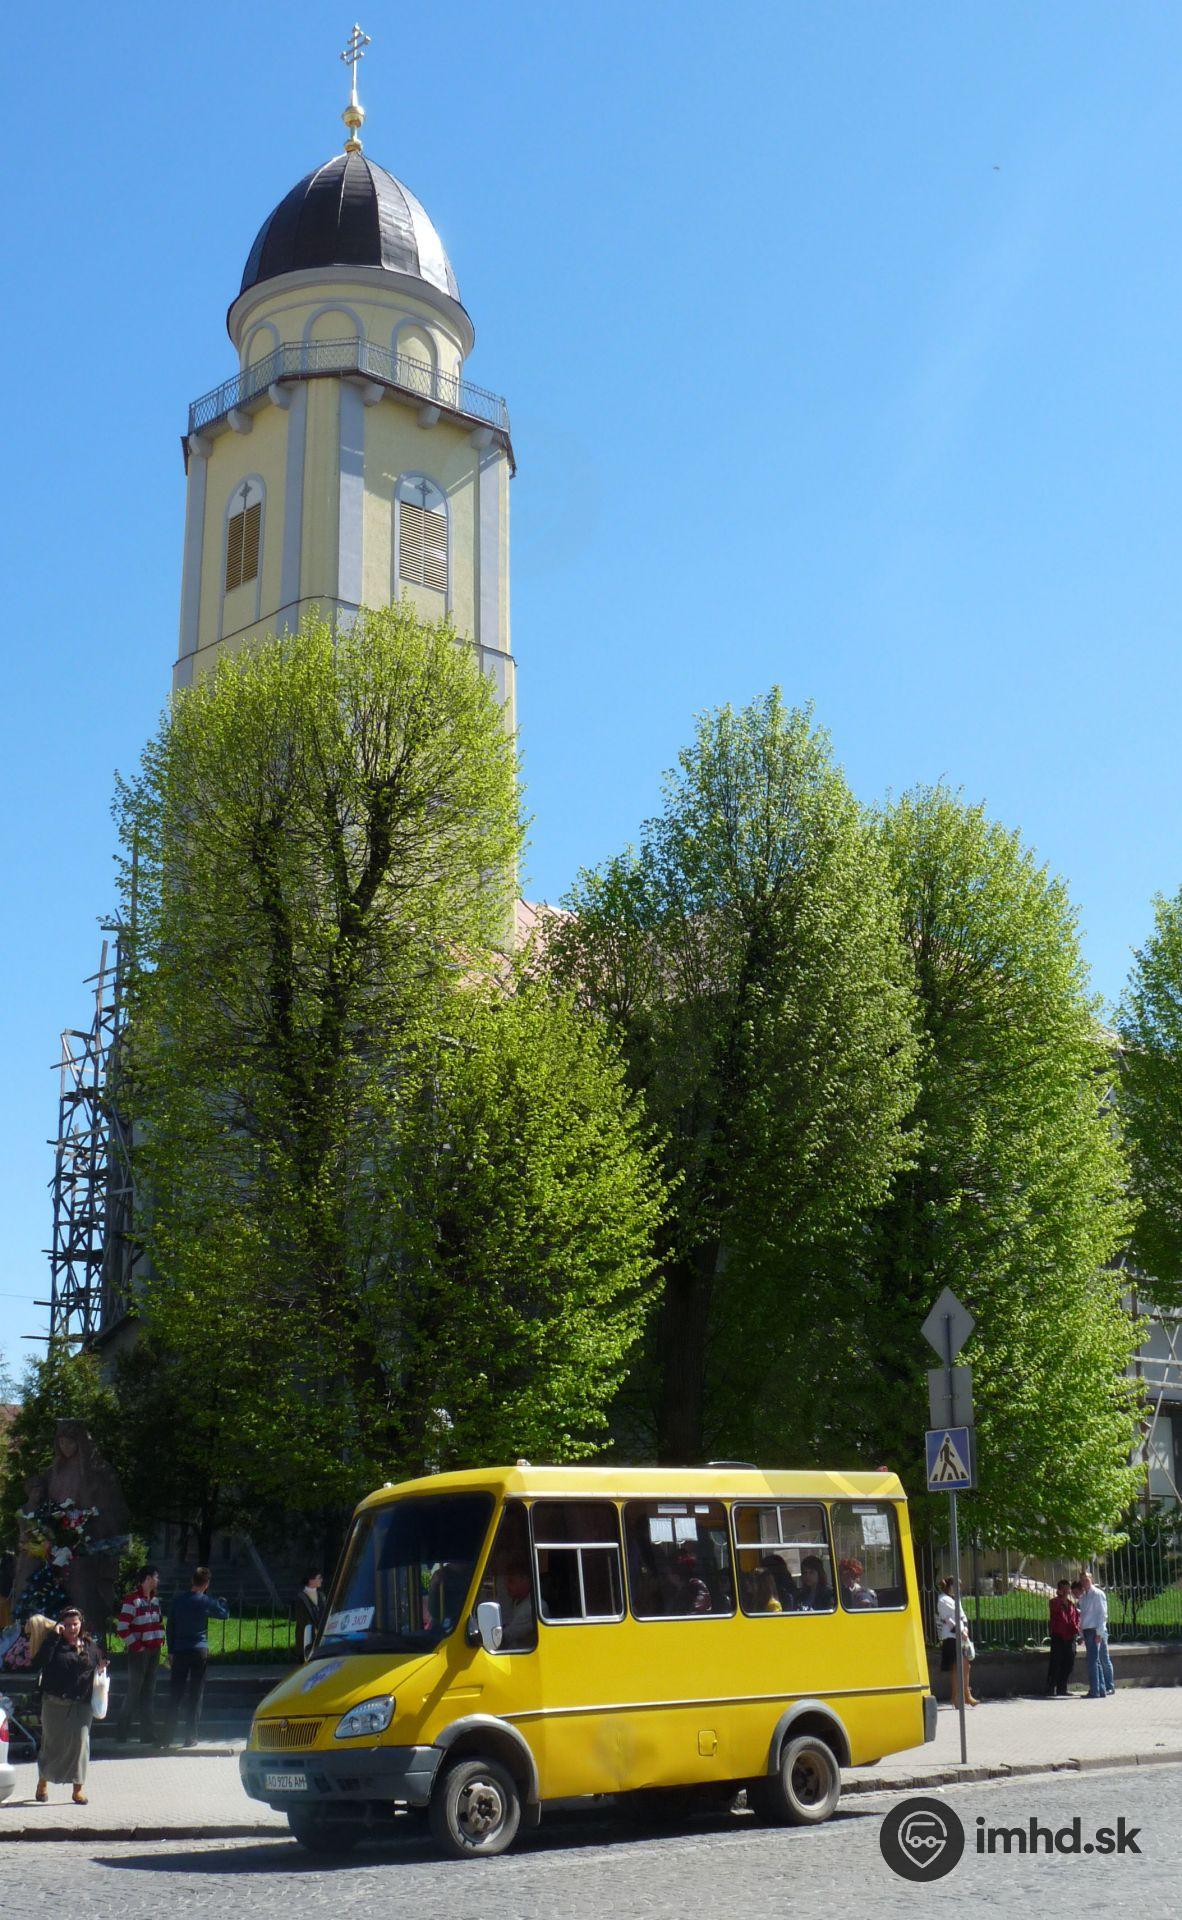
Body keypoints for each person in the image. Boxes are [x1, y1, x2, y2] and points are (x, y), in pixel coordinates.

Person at [31, 1607, 107, 1805]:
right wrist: (53, 1638)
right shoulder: (54, 1644)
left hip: (82, 1704)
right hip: (54, 1703)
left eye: (75, 1624)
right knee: (51, 1744)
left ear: (81, 1624)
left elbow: (99, 1662)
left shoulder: (89, 1645)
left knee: (81, 1745)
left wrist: (101, 1667)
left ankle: (78, 1789)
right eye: (67, 1625)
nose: (72, 1628)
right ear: (61, 1626)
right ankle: (42, 1782)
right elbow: (38, 1662)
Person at [165, 1566, 229, 1746]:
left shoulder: (178, 1601)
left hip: (180, 1650)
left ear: (192, 1581)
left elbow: (170, 1627)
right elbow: (224, 1615)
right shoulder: (206, 1601)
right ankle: (190, 1736)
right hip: (199, 1650)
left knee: (175, 1693)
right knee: (195, 1694)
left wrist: (171, 1650)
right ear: (206, 1584)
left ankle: (167, 1736)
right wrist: (223, 1603)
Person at [115, 1563, 164, 1744]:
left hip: (154, 1649)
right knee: (134, 1691)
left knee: (149, 1692)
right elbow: (122, 1628)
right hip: (139, 1652)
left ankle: (147, 1733)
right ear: (148, 1578)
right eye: (156, 1577)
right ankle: (122, 1731)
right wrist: (137, 1646)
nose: (158, 1580)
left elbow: (159, 1622)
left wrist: (160, 1641)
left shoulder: (155, 1600)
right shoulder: (132, 1600)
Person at [935, 1575, 978, 1708]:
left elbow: (963, 1616)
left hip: (962, 1635)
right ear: (950, 1586)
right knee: (957, 1666)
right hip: (951, 1636)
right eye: (956, 1586)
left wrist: (965, 1629)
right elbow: (948, 1620)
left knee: (966, 1666)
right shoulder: (942, 1600)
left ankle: (965, 1695)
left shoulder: (956, 1599)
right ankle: (958, 1697)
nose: (959, 1589)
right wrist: (960, 1632)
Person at [1077, 1570, 1115, 1698]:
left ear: (1091, 1580)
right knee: (1095, 1660)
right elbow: (1082, 1616)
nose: (1085, 1582)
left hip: (1095, 1630)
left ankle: (1096, 1690)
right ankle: (1100, 1689)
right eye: (1082, 1580)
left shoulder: (1098, 1594)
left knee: (1094, 1661)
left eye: (1087, 1580)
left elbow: (1102, 1614)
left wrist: (1099, 1632)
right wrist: (1081, 1633)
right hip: (1087, 1630)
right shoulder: (1083, 1596)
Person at [1046, 1578, 1080, 1696]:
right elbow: (1055, 1610)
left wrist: (1077, 1629)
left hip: (1070, 1636)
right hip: (1058, 1635)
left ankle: (1062, 1687)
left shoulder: (1071, 1604)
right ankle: (1050, 1688)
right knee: (1056, 1662)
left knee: (1069, 1662)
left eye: (1068, 1589)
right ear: (1059, 1590)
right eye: (1064, 1589)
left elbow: (1076, 1618)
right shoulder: (1054, 1602)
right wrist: (1062, 1598)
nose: (1066, 1591)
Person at [499, 1560, 536, 1649]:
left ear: (525, 1581)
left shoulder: (531, 1608)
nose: (506, 1586)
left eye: (511, 1581)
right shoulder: (516, 1601)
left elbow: (504, 1638)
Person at [294, 1571, 326, 1663]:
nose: (321, 1580)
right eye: (319, 1578)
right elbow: (302, 1619)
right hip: (306, 1638)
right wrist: (313, 1629)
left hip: (321, 1637)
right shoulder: (301, 1597)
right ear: (311, 1580)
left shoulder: (321, 1595)